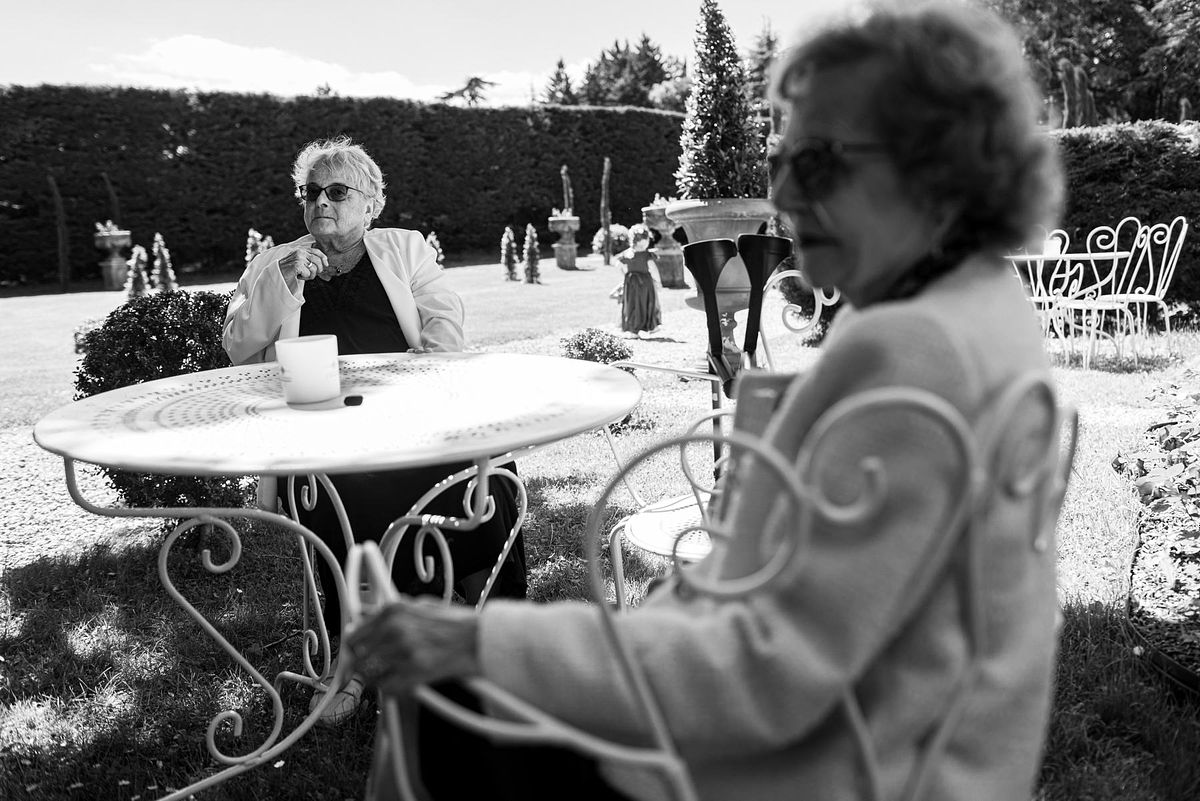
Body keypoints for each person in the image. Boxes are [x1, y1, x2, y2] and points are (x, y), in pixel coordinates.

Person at [344, 2, 1067, 798]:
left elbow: (771, 672)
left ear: (934, 171)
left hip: (842, 767)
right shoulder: (977, 305)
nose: (781, 193)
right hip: (906, 740)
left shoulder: (912, 347)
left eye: (816, 164)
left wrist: (481, 642)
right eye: (780, 158)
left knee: (449, 707)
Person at [222, 136, 527, 726]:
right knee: (337, 500)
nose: (321, 202)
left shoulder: (403, 248)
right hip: (324, 431)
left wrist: (431, 374)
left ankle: (494, 637)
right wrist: (282, 282)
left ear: (371, 203)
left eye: (337, 191)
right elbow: (237, 343)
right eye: (310, 192)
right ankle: (357, 660)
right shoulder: (273, 263)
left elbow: (442, 314)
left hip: (414, 414)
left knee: (486, 478)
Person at [615, 223, 662, 336]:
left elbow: (618, 265)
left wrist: (626, 275)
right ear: (643, 241)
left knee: (632, 305)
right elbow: (653, 269)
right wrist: (658, 282)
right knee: (648, 303)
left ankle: (633, 330)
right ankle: (651, 325)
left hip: (631, 283)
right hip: (645, 283)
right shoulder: (646, 255)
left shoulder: (627, 253)